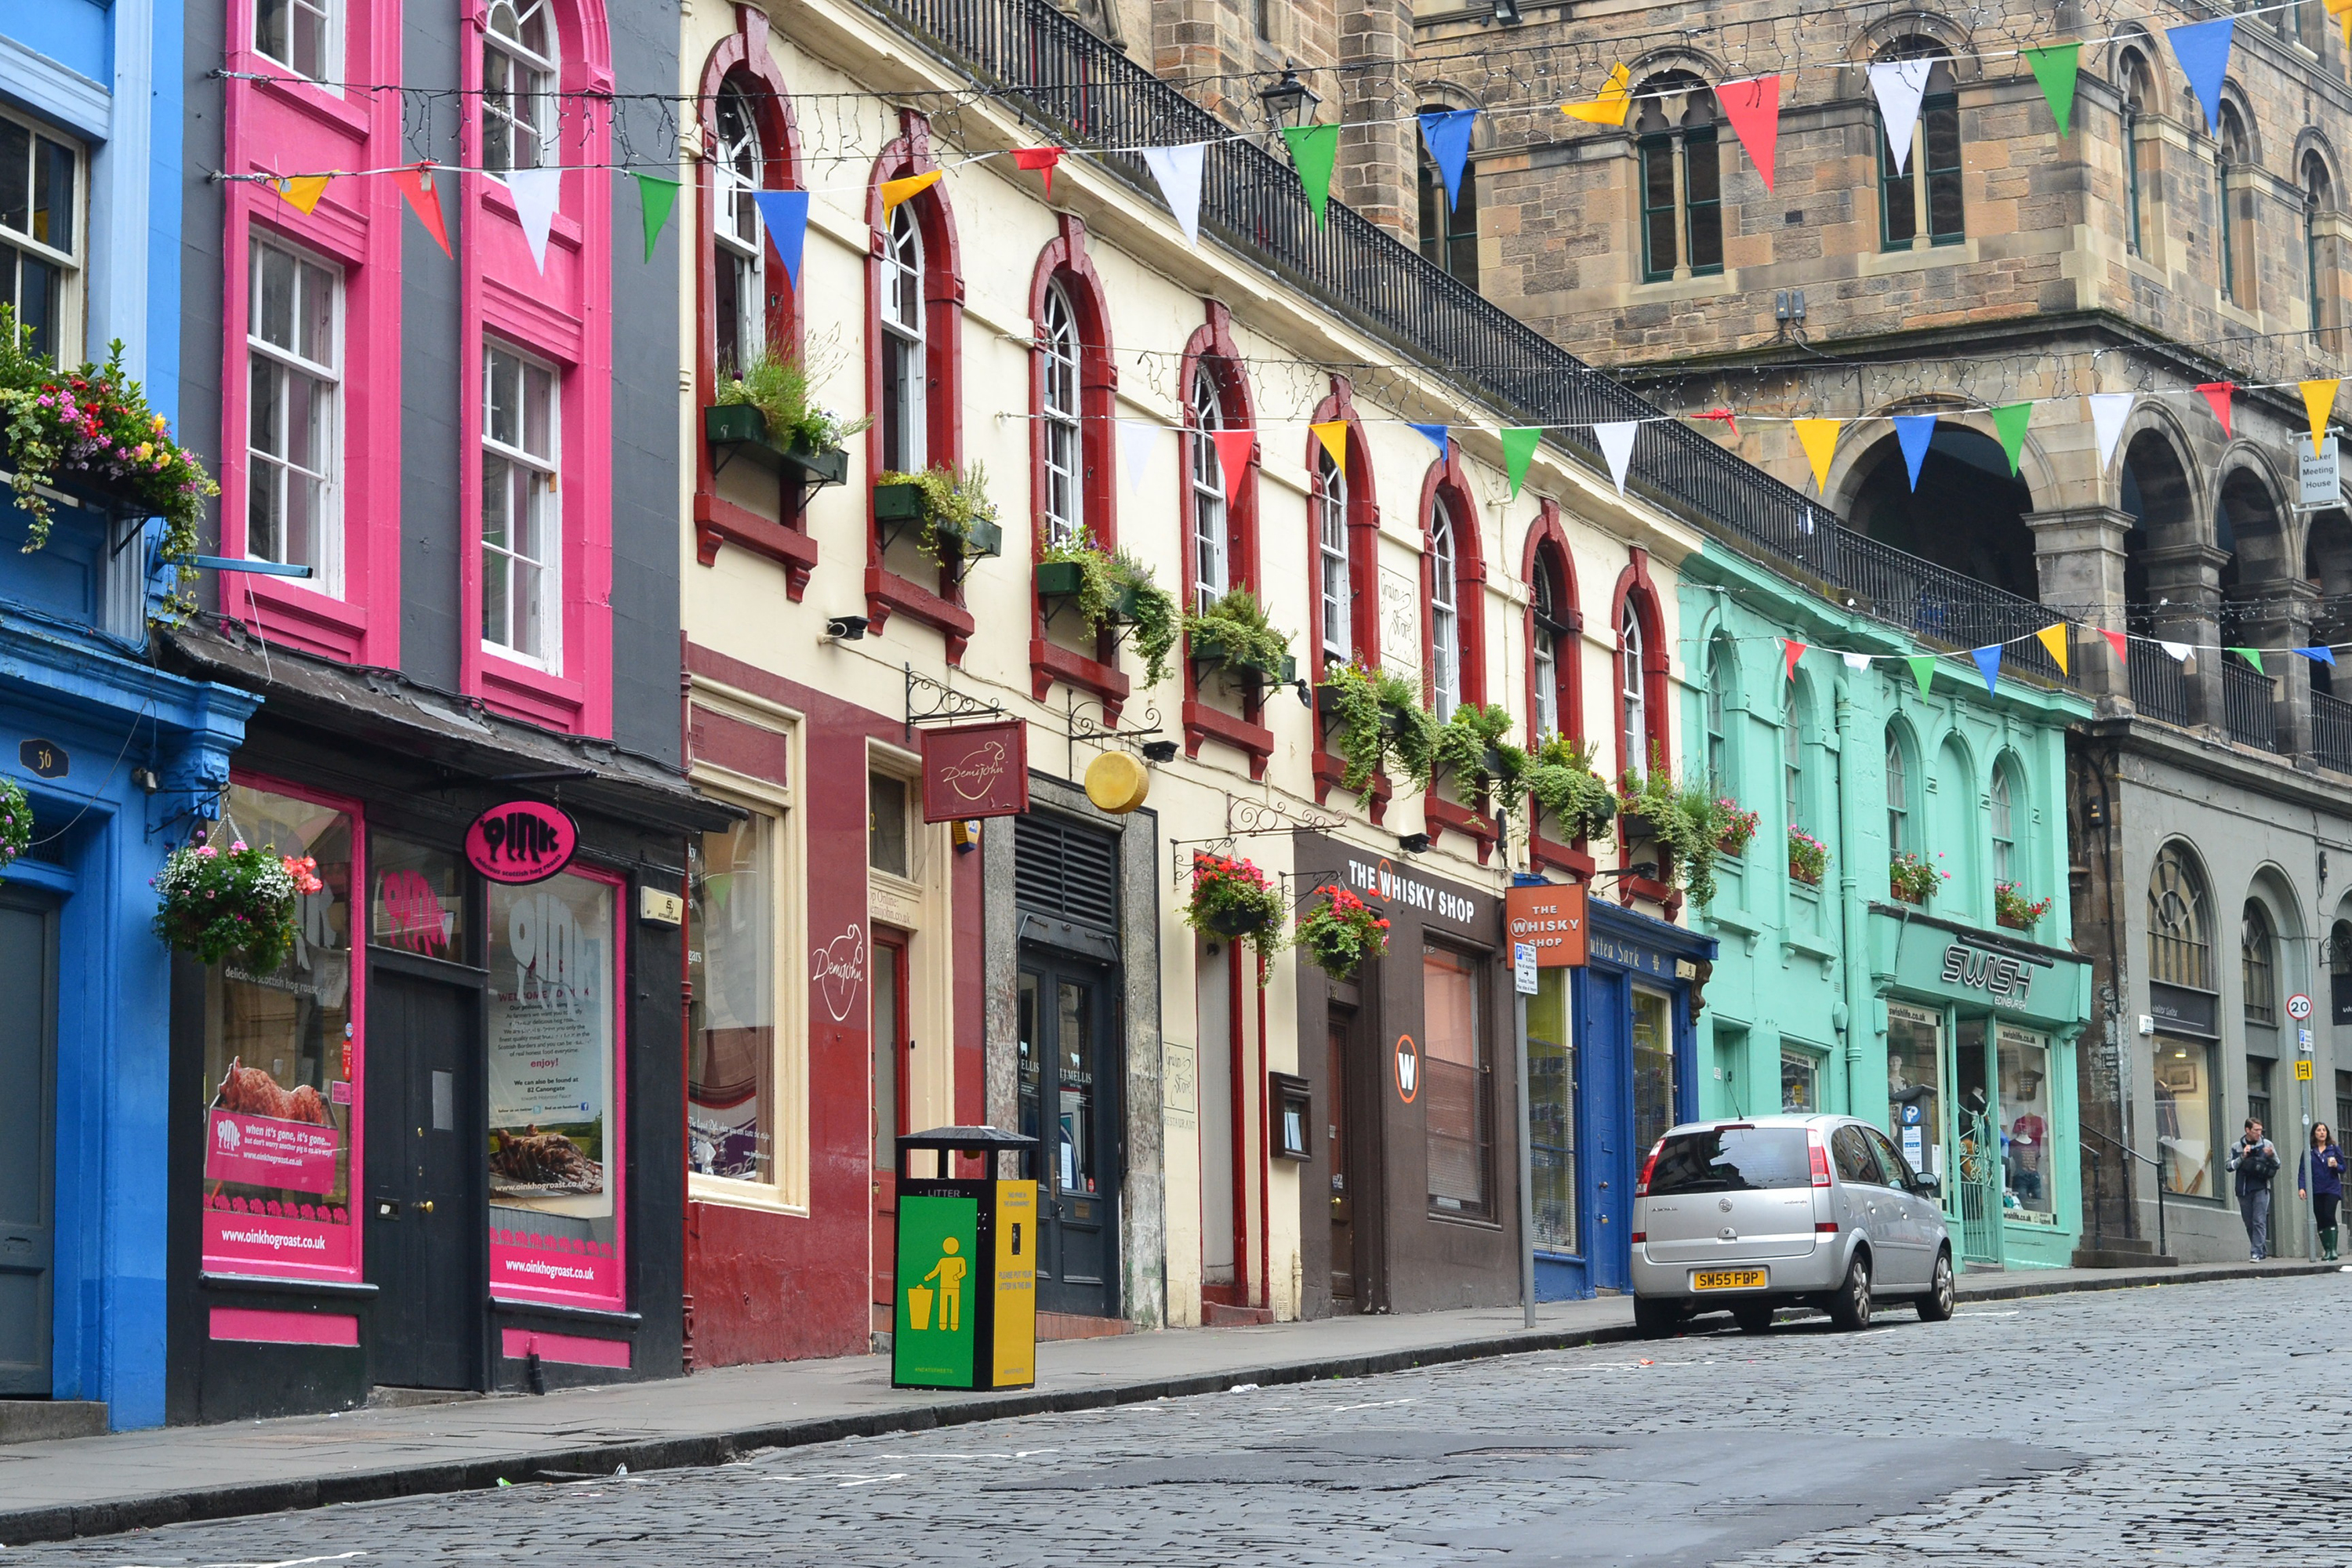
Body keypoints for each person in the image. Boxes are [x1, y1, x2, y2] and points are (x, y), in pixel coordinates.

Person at [2227, 1119, 2281, 1262]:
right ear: (2247, 1130)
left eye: (2260, 1130)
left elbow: (2278, 1164)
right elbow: (2229, 1166)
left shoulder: (2267, 1144)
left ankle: (2255, 1252)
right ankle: (2261, 1250)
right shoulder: (2237, 1147)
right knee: (2249, 1222)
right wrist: (2242, 1157)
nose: (2259, 1133)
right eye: (2256, 1130)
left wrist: (2271, 1155)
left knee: (2259, 1220)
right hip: (2243, 1189)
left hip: (2261, 1187)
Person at [2299, 1122, 2346, 1263]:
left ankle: (2333, 1249)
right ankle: (2326, 1249)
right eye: (2319, 1130)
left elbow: (2344, 1168)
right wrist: (2302, 1187)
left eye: (2324, 1130)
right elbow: (2303, 1171)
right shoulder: (2309, 1151)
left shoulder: (2334, 1149)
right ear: (2314, 1134)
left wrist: (2337, 1165)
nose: (2322, 1133)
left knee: (2328, 1214)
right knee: (2320, 1217)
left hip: (2331, 1188)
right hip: (2316, 1189)